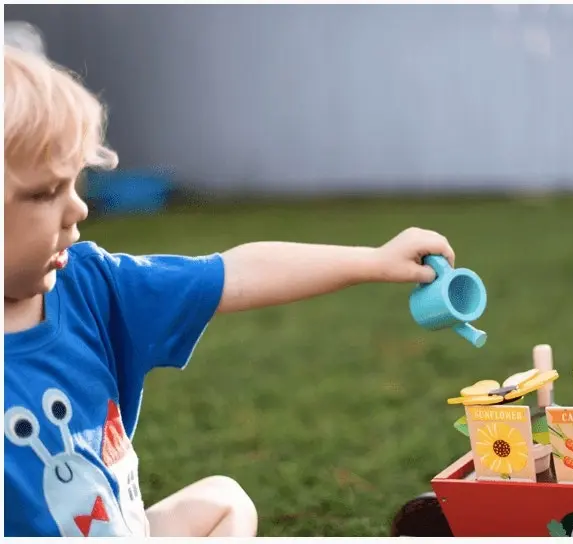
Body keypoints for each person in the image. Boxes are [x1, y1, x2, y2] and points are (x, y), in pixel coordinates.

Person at [4, 44, 457, 537]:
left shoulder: (90, 285)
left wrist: (373, 260)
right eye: (46, 193)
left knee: (223, 501)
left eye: (76, 184)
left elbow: (234, 274)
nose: (78, 210)